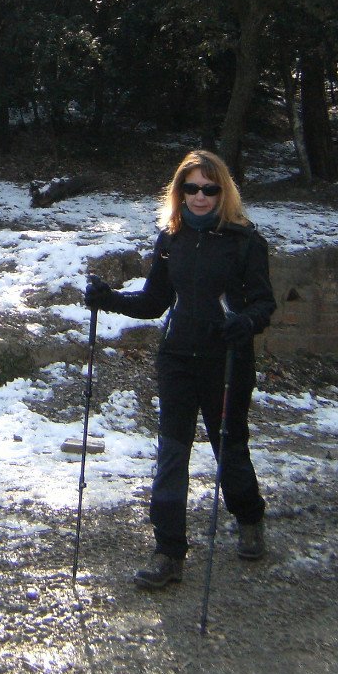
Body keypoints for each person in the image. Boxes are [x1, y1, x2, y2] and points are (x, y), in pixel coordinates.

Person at [84, 149, 275, 589]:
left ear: (223, 191)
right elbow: (155, 302)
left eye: (210, 188)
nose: (201, 196)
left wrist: (245, 322)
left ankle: (248, 516)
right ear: (179, 192)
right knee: (172, 452)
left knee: (229, 447)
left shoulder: (246, 240)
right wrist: (108, 298)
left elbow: (265, 302)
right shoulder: (172, 239)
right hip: (177, 358)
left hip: (226, 359)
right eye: (191, 188)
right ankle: (168, 550)